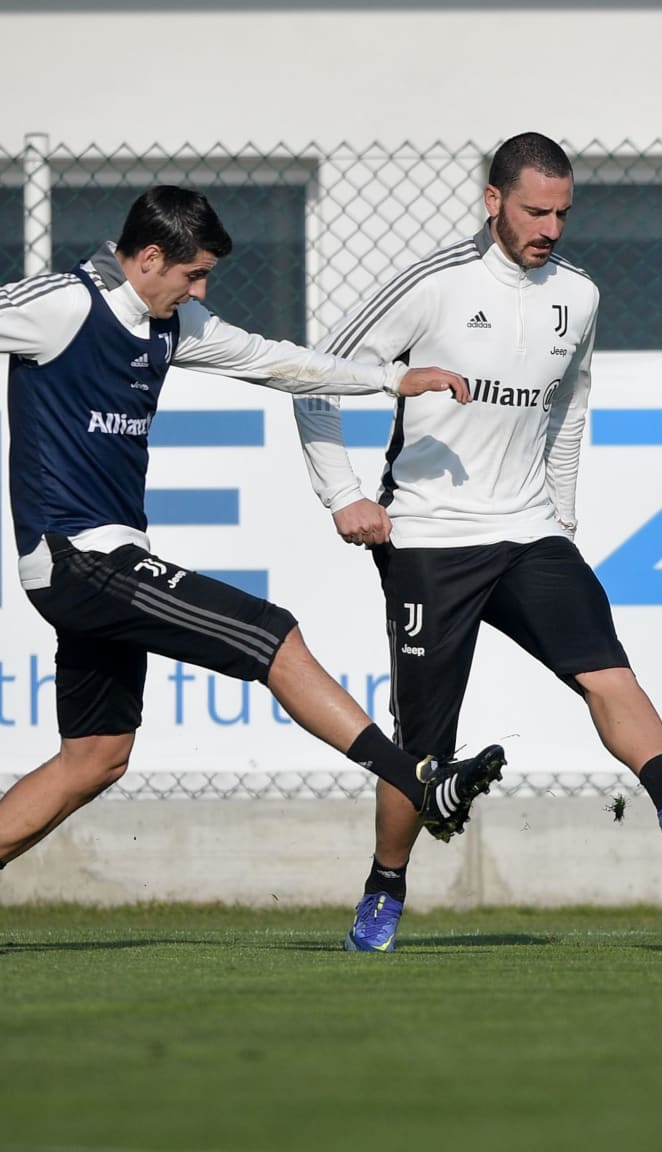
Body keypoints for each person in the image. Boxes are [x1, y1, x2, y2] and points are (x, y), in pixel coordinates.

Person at [293, 131, 662, 953]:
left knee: (603, 664)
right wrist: (343, 497)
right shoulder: (432, 287)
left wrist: (563, 518)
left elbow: (569, 410)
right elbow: (314, 379)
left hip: (528, 532)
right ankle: (386, 886)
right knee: (423, 746)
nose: (551, 226)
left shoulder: (578, 295)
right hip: (428, 541)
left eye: (562, 212)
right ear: (493, 202)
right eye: (535, 210)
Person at [0, 184, 507, 878]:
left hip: (109, 560)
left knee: (96, 759)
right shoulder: (62, 306)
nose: (201, 289)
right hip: (75, 559)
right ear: (149, 258)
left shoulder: (170, 324)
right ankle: (421, 782)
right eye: (193, 274)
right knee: (272, 633)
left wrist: (391, 379)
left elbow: (278, 362)